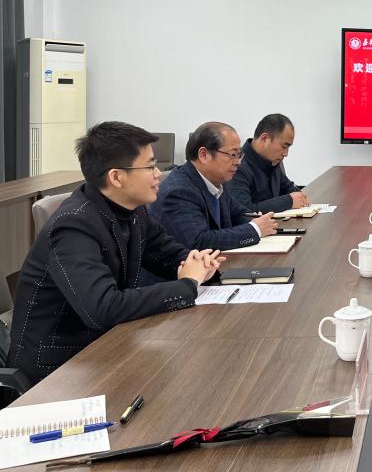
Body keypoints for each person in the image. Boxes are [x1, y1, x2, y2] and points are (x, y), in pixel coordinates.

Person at [8, 122, 223, 384]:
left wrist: (201, 264)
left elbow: (168, 254)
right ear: (116, 177)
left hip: (105, 345)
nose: (158, 174)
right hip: (57, 370)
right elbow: (102, 308)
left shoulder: (132, 209)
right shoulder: (73, 225)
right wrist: (187, 284)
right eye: (150, 166)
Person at [150, 122, 278, 250]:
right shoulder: (179, 191)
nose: (238, 162)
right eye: (233, 154)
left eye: (239, 155)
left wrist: (260, 222)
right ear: (204, 155)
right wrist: (254, 229)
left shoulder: (216, 181)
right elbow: (198, 242)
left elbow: (239, 214)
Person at [226, 113, 308, 213]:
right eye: (283, 147)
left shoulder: (272, 162)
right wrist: (289, 201)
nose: (286, 153)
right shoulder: (237, 167)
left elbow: (289, 188)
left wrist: (299, 196)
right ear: (264, 139)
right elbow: (244, 210)